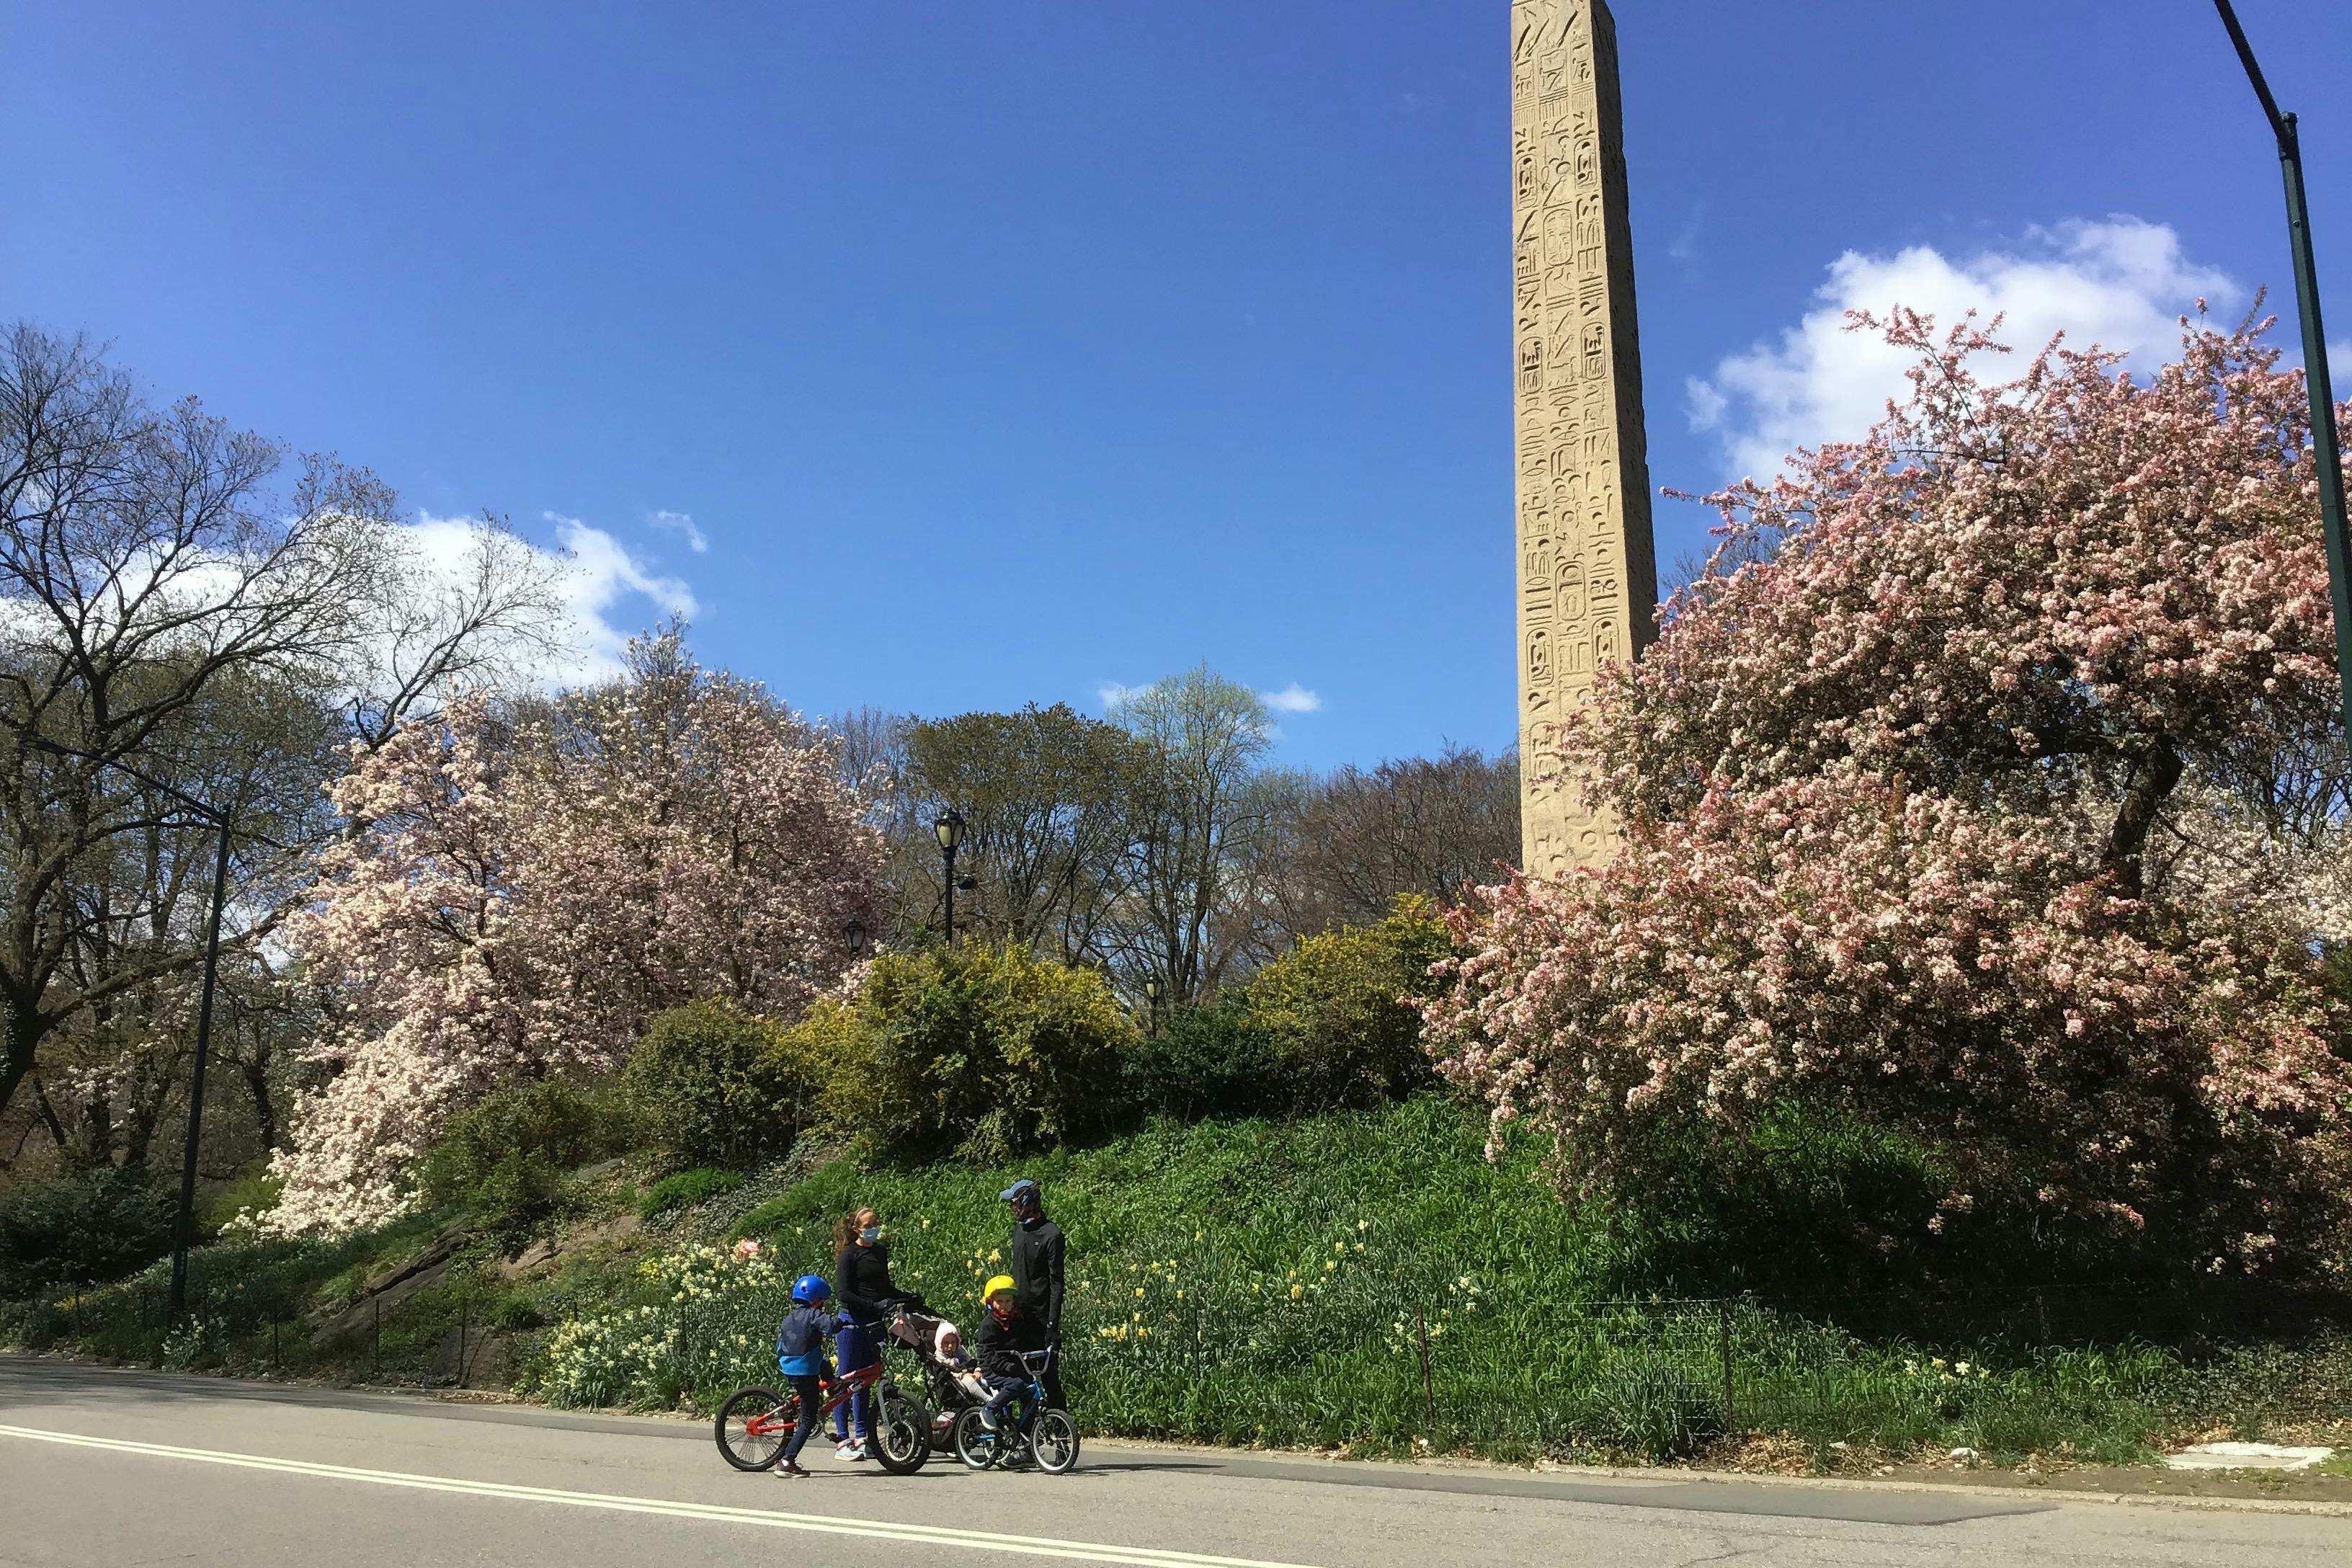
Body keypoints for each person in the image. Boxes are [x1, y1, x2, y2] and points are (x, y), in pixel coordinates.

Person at [831, 1205, 917, 1459]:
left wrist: (905, 1297)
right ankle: (842, 1440)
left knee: (865, 1382)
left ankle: (862, 1437)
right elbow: (845, 1294)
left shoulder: (879, 1252)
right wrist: (873, 1306)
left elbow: (883, 1287)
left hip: (873, 1324)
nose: (873, 1229)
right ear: (857, 1229)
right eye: (868, 1226)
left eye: (875, 1224)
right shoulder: (849, 1255)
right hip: (851, 1322)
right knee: (846, 1381)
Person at [1002, 1177, 1068, 1409]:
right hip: (1019, 1317)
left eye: (1014, 1202)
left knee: (1050, 1379)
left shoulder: (1052, 1235)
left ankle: (1062, 1438)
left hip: (1041, 1320)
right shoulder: (1018, 1231)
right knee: (1020, 1380)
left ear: (1028, 1202)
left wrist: (1053, 1324)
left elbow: (1057, 1283)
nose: (1012, 1208)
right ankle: (1027, 1436)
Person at [772, 1273, 845, 1478]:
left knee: (823, 1361)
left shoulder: (790, 1318)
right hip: (804, 1372)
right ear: (815, 1300)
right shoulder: (813, 1315)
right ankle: (787, 1461)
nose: (823, 1305)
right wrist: (843, 1321)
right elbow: (831, 1325)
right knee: (808, 1420)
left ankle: (831, 1385)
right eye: (822, 1301)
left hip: (790, 1367)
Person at [969, 1274, 1035, 1432]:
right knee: (1016, 1384)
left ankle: (1025, 1431)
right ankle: (989, 1409)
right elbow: (989, 1354)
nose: (1004, 1305)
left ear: (1014, 1302)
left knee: (1031, 1388)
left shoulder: (1016, 1321)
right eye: (1000, 1302)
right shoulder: (989, 1325)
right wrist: (1007, 1367)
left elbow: (1023, 1344)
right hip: (992, 1369)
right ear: (991, 1303)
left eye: (1008, 1301)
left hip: (1010, 1367)